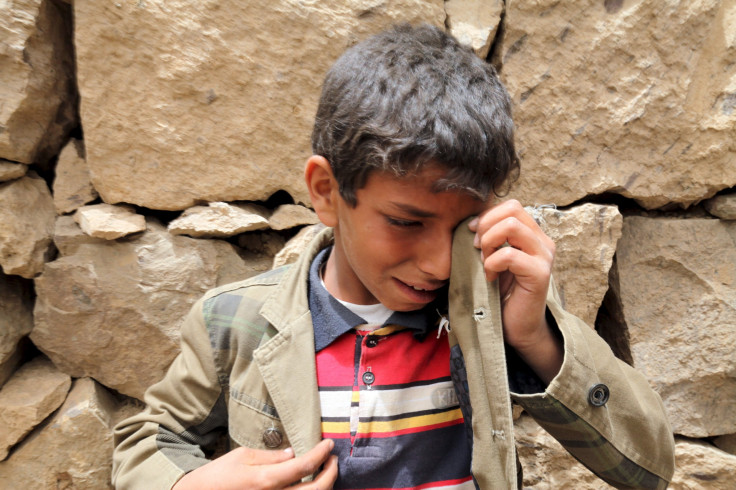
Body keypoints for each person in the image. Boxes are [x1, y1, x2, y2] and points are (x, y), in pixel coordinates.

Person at [112, 23, 675, 489]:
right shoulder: (234, 322)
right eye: (407, 222)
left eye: (462, 227)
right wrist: (189, 484)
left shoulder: (499, 308)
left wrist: (536, 341)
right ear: (328, 192)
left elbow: (649, 468)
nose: (438, 263)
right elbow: (148, 438)